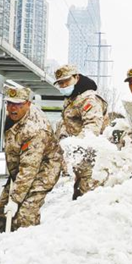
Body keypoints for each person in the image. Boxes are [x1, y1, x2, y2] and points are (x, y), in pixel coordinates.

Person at [0, 87, 63, 232]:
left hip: (44, 169)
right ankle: (7, 243)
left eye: (18, 104)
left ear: (28, 104)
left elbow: (29, 169)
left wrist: (15, 199)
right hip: (22, 168)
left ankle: (26, 249)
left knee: (25, 215)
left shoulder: (35, 129)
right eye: (9, 103)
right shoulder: (13, 118)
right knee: (2, 210)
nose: (12, 108)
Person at [54, 64, 108, 199]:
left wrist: (74, 143)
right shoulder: (72, 99)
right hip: (81, 158)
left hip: (92, 157)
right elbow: (67, 124)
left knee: (88, 197)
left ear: (76, 77)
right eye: (60, 83)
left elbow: (92, 126)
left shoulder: (88, 98)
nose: (64, 85)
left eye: (66, 81)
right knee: (78, 195)